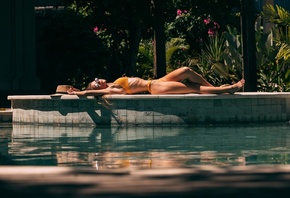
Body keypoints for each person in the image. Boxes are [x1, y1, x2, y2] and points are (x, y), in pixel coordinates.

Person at [67, 66, 245, 96]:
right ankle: (227, 89)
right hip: (155, 88)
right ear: (98, 89)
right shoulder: (111, 91)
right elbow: (90, 93)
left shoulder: (114, 82)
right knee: (192, 88)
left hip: (156, 81)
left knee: (186, 71)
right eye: (95, 83)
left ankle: (214, 88)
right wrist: (80, 92)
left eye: (96, 79)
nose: (97, 81)